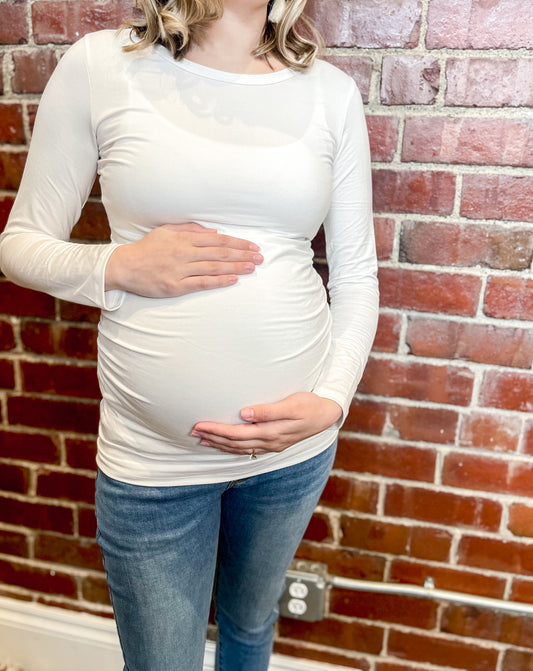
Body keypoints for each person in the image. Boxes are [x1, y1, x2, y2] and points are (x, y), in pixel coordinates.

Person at [0, 0, 379, 668]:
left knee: (250, 625)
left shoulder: (329, 94)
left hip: (291, 454)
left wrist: (332, 400)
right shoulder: (103, 66)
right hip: (153, 462)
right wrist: (116, 264)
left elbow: (356, 275)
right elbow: (20, 245)